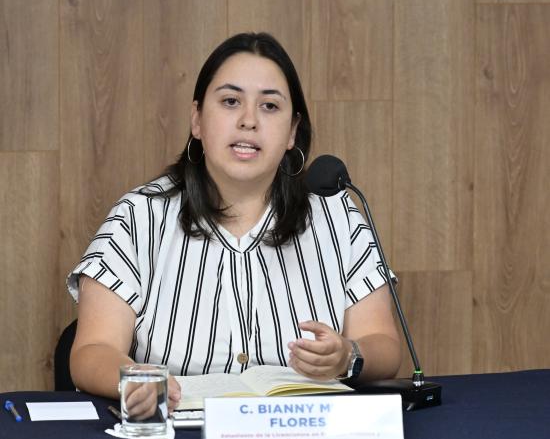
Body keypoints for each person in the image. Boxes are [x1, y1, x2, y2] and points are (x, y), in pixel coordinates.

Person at [67, 32, 402, 416]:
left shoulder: (337, 214)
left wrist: (348, 356)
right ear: (197, 119)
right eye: (230, 101)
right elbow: (93, 350)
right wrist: (133, 379)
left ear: (292, 131)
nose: (248, 121)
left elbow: (383, 344)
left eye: (269, 106)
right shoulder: (138, 217)